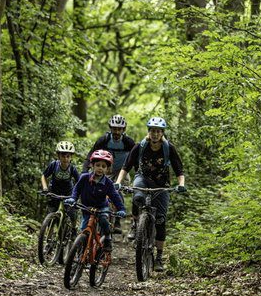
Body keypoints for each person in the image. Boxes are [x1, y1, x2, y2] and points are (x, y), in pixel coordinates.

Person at [114, 116, 186, 271]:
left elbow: (179, 169)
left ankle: (159, 257)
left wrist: (181, 184)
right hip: (143, 178)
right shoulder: (141, 146)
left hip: (162, 184)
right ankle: (135, 225)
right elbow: (126, 166)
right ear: (149, 131)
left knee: (160, 220)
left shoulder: (168, 148)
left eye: (158, 131)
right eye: (153, 130)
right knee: (137, 195)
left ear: (162, 133)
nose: (155, 134)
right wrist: (119, 182)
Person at [82, 115, 136, 234]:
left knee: (117, 191)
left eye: (119, 129)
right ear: (110, 128)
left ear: (123, 130)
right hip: (107, 170)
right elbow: (91, 155)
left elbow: (137, 157)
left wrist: (138, 173)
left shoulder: (128, 142)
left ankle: (117, 221)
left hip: (122, 170)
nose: (116, 131)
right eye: (114, 128)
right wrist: (84, 171)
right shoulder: (104, 139)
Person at [65, 150, 126, 252]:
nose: (100, 168)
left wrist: (121, 209)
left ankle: (107, 238)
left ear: (107, 169)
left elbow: (115, 196)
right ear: (92, 165)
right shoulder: (84, 178)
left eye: (103, 166)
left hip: (101, 207)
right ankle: (82, 252)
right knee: (84, 230)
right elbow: (76, 189)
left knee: (103, 220)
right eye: (98, 165)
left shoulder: (108, 183)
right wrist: (73, 198)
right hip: (86, 208)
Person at [41, 141, 81, 224]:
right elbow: (43, 176)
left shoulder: (72, 168)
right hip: (54, 191)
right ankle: (48, 231)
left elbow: (79, 182)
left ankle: (73, 228)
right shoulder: (54, 165)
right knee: (51, 212)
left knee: (71, 213)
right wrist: (45, 188)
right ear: (58, 156)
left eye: (68, 156)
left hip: (68, 192)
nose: (65, 159)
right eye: (63, 156)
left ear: (71, 157)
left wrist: (77, 194)